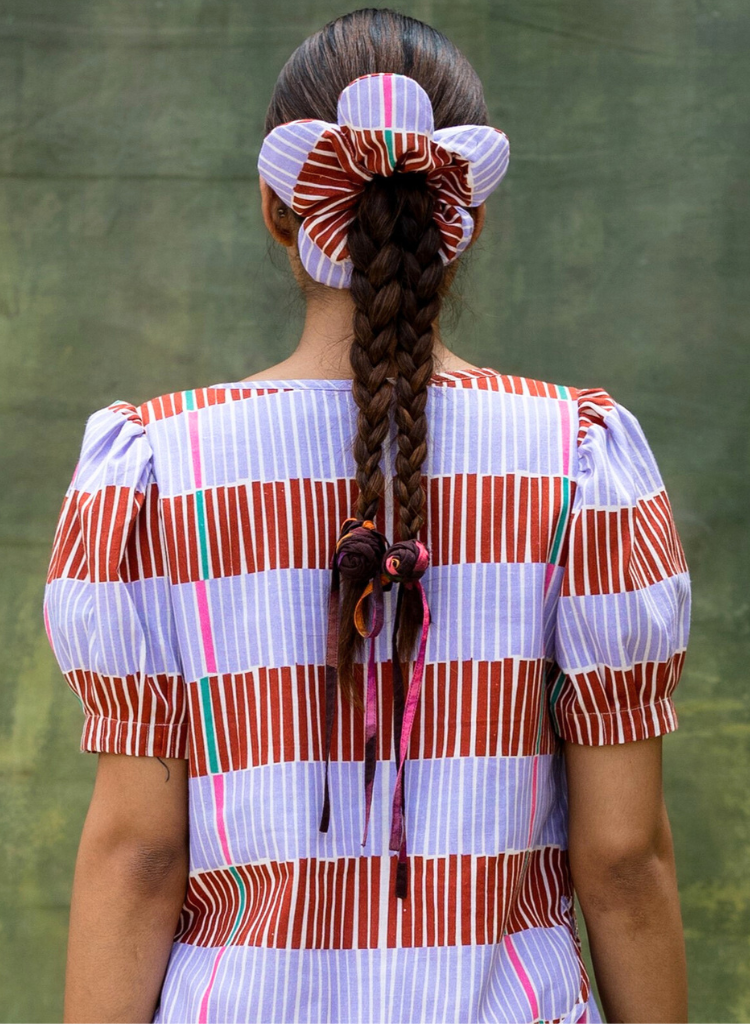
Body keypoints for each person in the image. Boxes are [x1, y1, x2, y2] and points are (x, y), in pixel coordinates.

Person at [42, 9, 691, 1024]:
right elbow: (621, 859)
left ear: (277, 209)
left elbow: (141, 855)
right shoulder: (579, 462)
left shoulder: (159, 472)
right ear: (467, 214)